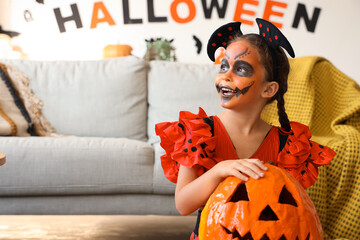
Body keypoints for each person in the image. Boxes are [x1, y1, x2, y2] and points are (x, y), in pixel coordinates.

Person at [155, 18, 336, 240]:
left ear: (268, 89)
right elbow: (183, 204)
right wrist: (221, 170)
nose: (225, 76)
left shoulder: (286, 146)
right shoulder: (199, 133)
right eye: (224, 66)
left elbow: (290, 212)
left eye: (241, 69)